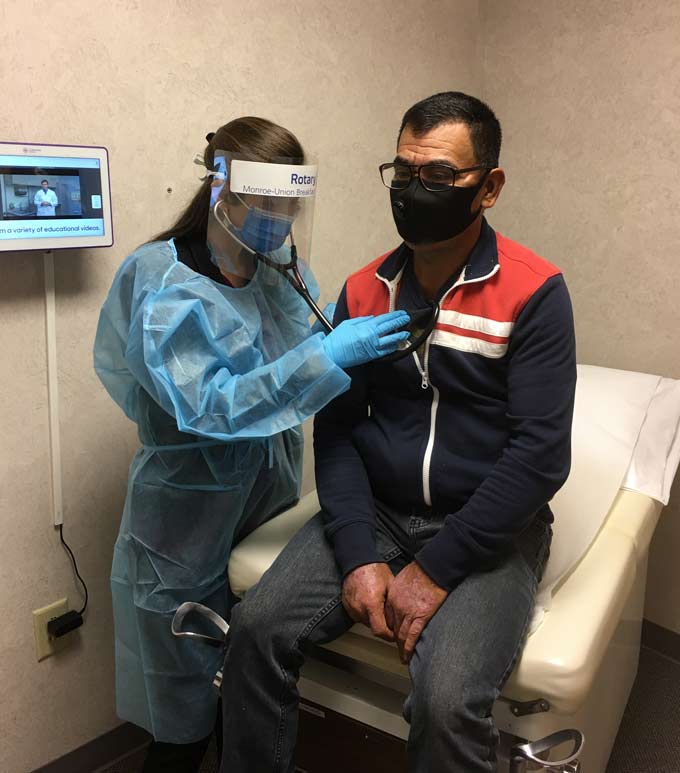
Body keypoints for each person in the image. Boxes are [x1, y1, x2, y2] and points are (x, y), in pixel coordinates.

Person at [218, 92, 577, 772]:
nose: (415, 191)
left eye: (439, 176)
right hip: (379, 511)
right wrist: (357, 553)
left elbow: (540, 456)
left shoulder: (533, 294)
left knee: (446, 700)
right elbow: (340, 430)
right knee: (256, 628)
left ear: (489, 187)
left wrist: (436, 569)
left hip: (485, 525)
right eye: (403, 172)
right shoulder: (363, 292)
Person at [93, 116, 409, 773]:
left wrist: (346, 352)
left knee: (245, 682)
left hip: (265, 503)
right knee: (181, 717)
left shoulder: (279, 272)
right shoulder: (162, 283)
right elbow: (211, 407)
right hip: (181, 527)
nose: (279, 220)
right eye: (264, 204)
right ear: (222, 192)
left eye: (289, 205)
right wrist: (327, 358)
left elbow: (303, 373)